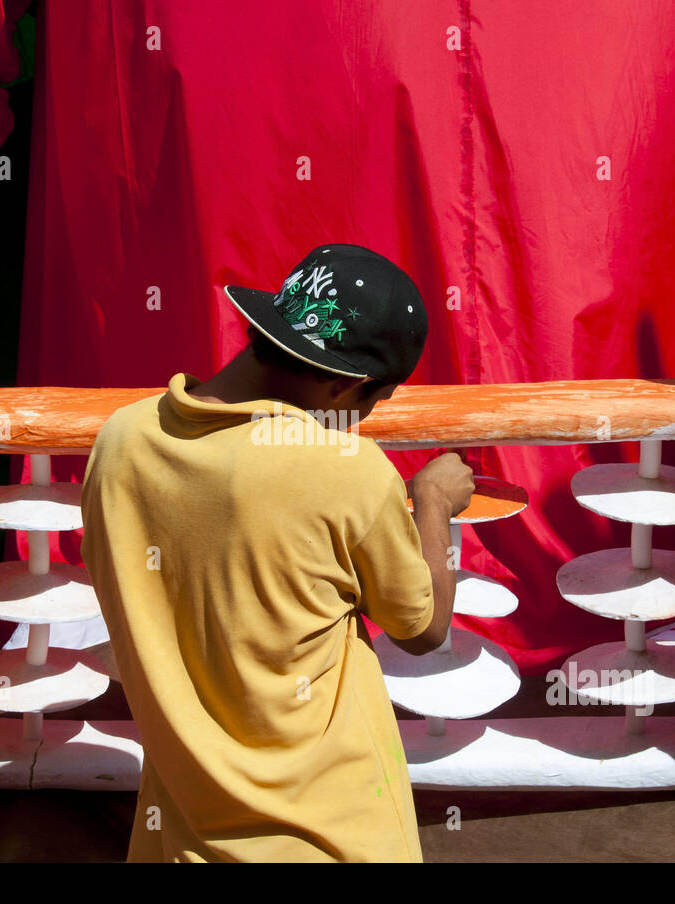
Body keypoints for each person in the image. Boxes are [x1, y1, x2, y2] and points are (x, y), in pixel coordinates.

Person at [79, 243, 475, 861]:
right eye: (376, 400)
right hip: (331, 835)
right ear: (351, 382)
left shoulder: (122, 440)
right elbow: (423, 629)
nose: (363, 419)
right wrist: (432, 505)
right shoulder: (347, 469)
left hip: (178, 834)